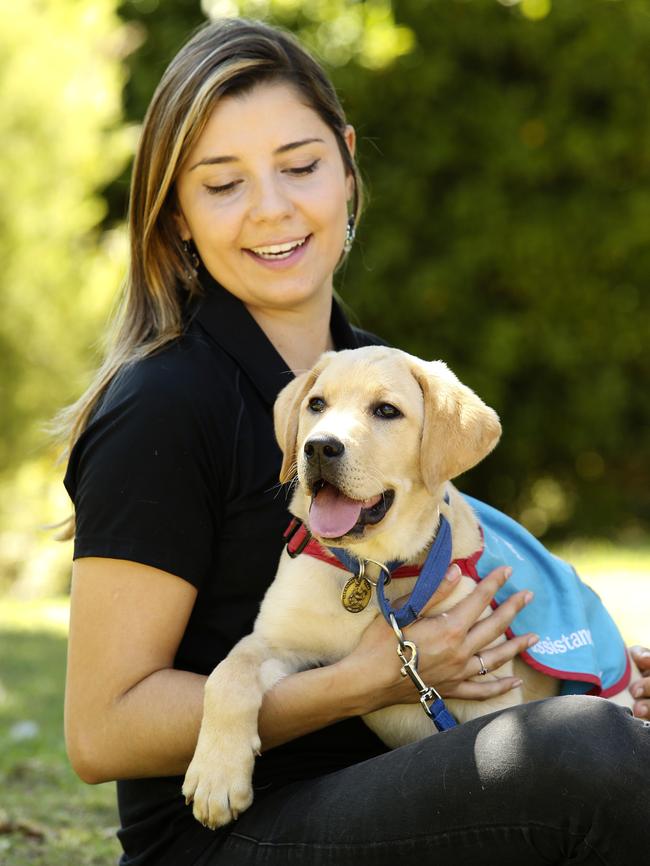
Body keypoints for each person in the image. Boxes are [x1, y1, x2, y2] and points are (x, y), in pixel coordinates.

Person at [61, 17, 650, 866]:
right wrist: (370, 679)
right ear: (178, 217)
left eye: (300, 167)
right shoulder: (162, 403)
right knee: (579, 756)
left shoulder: (380, 377)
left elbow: (466, 582)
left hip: (405, 789)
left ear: (345, 165)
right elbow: (99, 731)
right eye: (222, 184)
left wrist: (589, 670)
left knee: (600, 734)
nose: (272, 207)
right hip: (232, 835)